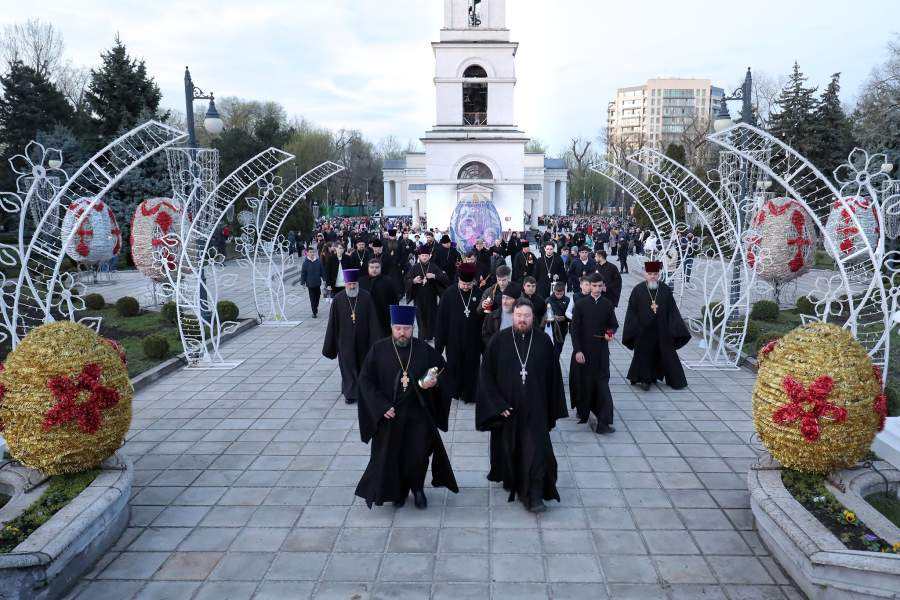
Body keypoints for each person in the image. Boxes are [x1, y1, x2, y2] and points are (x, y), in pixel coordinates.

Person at [355, 305, 459, 509]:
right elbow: (365, 380)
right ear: (391, 327)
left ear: (413, 328)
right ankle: (397, 492)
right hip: (390, 414)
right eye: (398, 328)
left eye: (407, 328)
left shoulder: (423, 349)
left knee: (418, 454)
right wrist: (380, 406)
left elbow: (443, 370)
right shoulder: (379, 350)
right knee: (392, 454)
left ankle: (417, 488)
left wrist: (433, 382)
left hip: (418, 413)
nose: (402, 332)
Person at [476, 298, 568, 513]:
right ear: (513, 316)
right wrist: (497, 404)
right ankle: (514, 480)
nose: (522, 320)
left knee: (537, 451)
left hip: (536, 409)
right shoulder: (499, 341)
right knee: (512, 451)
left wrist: (551, 409)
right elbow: (486, 376)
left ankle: (534, 496)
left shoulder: (544, 342)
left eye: (526, 316)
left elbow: (554, 378)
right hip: (509, 410)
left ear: (533, 317)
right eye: (518, 315)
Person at [622, 261, 691, 391]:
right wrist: (633, 329)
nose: (652, 276)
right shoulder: (638, 290)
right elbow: (632, 311)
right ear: (645, 274)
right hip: (643, 330)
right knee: (644, 353)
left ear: (659, 274)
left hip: (662, 329)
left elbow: (672, 310)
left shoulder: (665, 289)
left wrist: (674, 327)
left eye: (655, 274)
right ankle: (645, 379)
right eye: (649, 274)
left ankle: (672, 379)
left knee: (667, 353)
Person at [322, 269, 383, 404]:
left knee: (363, 367)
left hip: (363, 341)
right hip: (344, 341)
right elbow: (333, 323)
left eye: (354, 283)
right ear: (345, 284)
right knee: (348, 367)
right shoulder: (338, 299)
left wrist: (375, 341)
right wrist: (331, 344)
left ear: (358, 283)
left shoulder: (366, 297)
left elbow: (373, 320)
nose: (352, 286)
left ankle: (362, 391)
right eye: (349, 284)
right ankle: (350, 393)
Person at [569, 273, 619, 433]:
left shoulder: (607, 304)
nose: (597, 289)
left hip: (601, 350)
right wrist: (578, 351)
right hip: (584, 350)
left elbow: (613, 325)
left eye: (599, 286)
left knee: (602, 385)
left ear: (603, 286)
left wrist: (610, 333)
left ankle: (604, 421)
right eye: (594, 286)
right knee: (585, 383)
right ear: (589, 286)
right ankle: (584, 410)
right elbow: (574, 330)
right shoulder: (581, 305)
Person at [434, 263, 483, 404]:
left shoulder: (479, 294)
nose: (466, 287)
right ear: (458, 280)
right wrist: (439, 345)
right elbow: (441, 320)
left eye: (469, 284)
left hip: (473, 340)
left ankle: (469, 394)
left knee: (471, 367)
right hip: (453, 339)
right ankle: (455, 392)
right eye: (463, 284)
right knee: (454, 366)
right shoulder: (449, 294)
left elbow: (484, 320)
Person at [404, 248, 449, 342]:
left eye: (426, 256)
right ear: (419, 256)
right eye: (423, 255)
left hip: (431, 296)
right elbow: (406, 279)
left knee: (431, 316)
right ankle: (422, 337)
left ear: (429, 256)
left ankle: (430, 336)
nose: (424, 257)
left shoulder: (434, 267)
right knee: (420, 316)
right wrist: (413, 281)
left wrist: (434, 276)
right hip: (418, 297)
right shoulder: (415, 267)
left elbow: (444, 278)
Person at [359, 258, 402, 338]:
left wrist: (395, 318)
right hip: (366, 317)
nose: (374, 269)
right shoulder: (361, 282)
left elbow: (394, 301)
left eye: (377, 267)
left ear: (380, 268)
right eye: (372, 267)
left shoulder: (388, 281)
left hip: (384, 318)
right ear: (368, 268)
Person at [545, 282, 571, 358]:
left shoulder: (567, 300)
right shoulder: (548, 300)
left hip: (562, 328)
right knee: (552, 348)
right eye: (557, 294)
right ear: (554, 291)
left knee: (559, 348)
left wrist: (564, 318)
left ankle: (556, 360)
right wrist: (552, 317)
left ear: (564, 292)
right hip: (551, 328)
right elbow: (544, 313)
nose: (559, 296)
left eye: (561, 294)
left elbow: (570, 314)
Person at [298, 246, 324, 318]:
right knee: (312, 298)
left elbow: (322, 271)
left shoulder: (318, 261)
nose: (312, 253)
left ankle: (315, 307)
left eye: (313, 252)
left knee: (318, 296)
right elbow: (303, 273)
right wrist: (303, 283)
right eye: (310, 252)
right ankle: (314, 312)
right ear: (307, 253)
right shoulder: (305, 263)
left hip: (317, 283)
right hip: (310, 284)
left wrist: (324, 279)